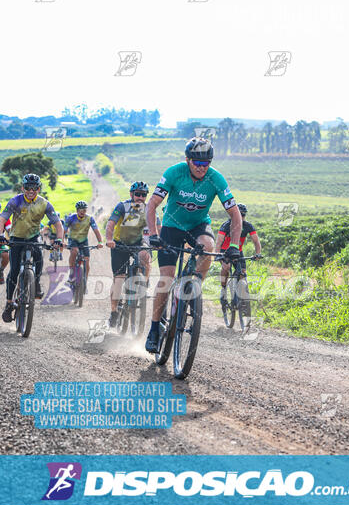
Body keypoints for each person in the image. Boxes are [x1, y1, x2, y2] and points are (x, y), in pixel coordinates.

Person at [144, 137, 243, 353]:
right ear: (188, 160)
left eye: (206, 163)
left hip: (198, 225)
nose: (201, 168)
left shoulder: (216, 178)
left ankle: (194, 287)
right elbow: (151, 205)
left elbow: (235, 216)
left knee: (207, 245)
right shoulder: (173, 172)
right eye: (197, 163)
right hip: (171, 226)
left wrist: (234, 245)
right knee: (166, 278)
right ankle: (154, 328)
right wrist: (153, 235)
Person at [0, 173, 64, 322]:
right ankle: (9, 303)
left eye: (34, 188)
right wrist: (1, 235)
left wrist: (59, 239)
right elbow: (3, 218)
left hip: (34, 238)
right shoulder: (15, 201)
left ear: (39, 188)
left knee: (39, 261)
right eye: (28, 187)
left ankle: (35, 284)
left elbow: (57, 224)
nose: (31, 190)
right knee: (14, 271)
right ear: (23, 187)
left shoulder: (44, 203)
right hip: (16, 238)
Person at [106, 181, 161, 328]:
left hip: (137, 243)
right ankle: (114, 312)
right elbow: (111, 223)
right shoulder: (122, 206)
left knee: (145, 256)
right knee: (118, 280)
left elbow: (158, 226)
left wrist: (161, 242)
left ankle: (144, 282)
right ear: (131, 194)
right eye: (137, 194)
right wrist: (109, 239)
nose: (140, 197)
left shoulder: (149, 209)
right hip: (119, 244)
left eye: (143, 195)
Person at [215, 203, 262, 302]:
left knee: (242, 274)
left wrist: (258, 253)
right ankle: (223, 290)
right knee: (226, 268)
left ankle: (243, 301)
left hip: (238, 252)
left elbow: (256, 241)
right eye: (240, 214)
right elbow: (219, 242)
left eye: (244, 215)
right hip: (225, 251)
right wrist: (218, 254)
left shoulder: (248, 226)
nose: (242, 217)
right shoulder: (226, 225)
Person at [64, 201, 102, 284]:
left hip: (83, 240)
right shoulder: (71, 218)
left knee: (87, 260)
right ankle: (71, 273)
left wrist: (100, 242)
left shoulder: (90, 218)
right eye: (80, 210)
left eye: (84, 210)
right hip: (73, 239)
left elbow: (96, 230)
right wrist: (62, 241)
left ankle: (85, 280)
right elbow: (64, 230)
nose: (82, 212)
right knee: (74, 251)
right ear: (77, 210)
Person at [0, 209, 11, 285]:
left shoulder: (5, 218)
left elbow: (10, 230)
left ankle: (1, 270)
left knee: (6, 254)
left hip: (1, 242)